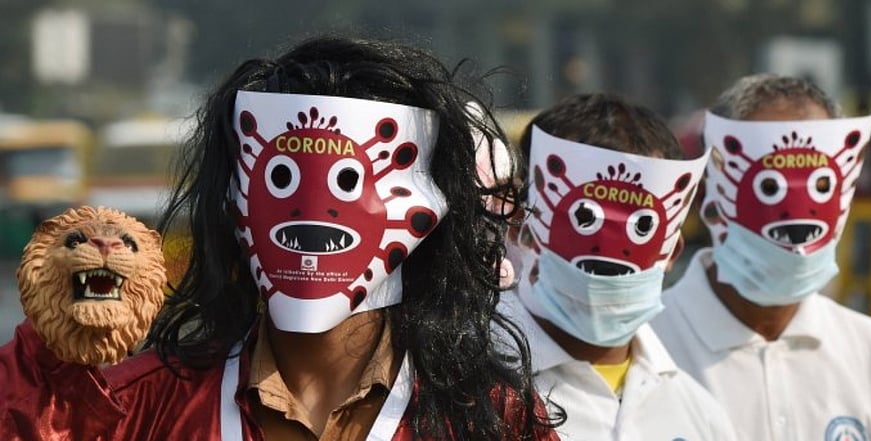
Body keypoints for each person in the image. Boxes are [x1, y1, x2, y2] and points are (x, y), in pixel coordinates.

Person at [0, 36, 559, 441]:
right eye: (281, 179)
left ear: (425, 210)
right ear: (235, 203)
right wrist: (49, 359)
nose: (310, 215)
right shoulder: (129, 412)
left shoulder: (494, 423)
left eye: (348, 183)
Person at [652, 73, 871, 440]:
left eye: (818, 186)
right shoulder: (648, 351)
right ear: (712, 194)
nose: (795, 212)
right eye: (770, 186)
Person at [499, 93, 737, 440]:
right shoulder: (456, 389)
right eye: (583, 219)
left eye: (642, 228)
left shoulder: (698, 415)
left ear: (671, 251)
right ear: (522, 229)